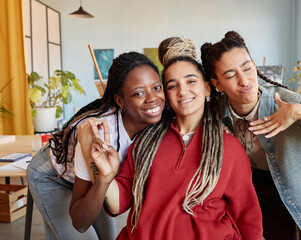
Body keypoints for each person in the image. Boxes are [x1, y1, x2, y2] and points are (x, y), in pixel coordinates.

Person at [76, 36, 263, 240]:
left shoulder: (229, 147)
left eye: (191, 81)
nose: (183, 91)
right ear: (166, 94)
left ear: (207, 87)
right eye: (172, 86)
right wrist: (104, 175)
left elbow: (248, 218)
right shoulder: (145, 142)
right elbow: (118, 202)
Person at [200, 30, 301, 240]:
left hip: (284, 198)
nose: (244, 80)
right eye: (230, 75)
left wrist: (299, 112)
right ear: (217, 84)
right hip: (240, 198)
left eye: (247, 68)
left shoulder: (285, 101)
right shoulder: (213, 113)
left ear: (255, 66)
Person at [26, 52, 165, 240]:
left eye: (157, 87)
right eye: (139, 93)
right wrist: (103, 179)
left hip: (89, 178)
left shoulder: (156, 122)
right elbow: (80, 222)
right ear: (120, 101)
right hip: (52, 176)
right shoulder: (97, 135)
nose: (153, 98)